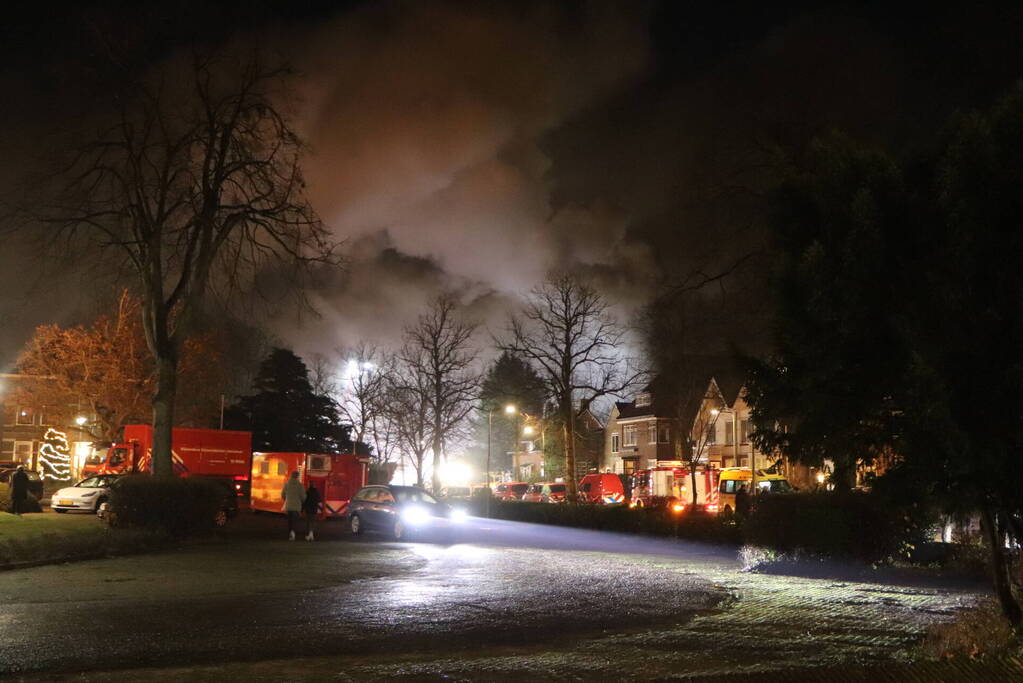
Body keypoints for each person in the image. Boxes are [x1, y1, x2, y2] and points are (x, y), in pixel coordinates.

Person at [281, 470, 306, 541]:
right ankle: (293, 533)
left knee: (289, 521)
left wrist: (287, 499)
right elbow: (303, 497)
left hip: (288, 506)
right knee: (295, 521)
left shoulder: (286, 484)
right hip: (296, 506)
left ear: (291, 476)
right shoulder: (300, 485)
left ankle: (290, 534)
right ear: (297, 476)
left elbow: (282, 495)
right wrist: (302, 501)